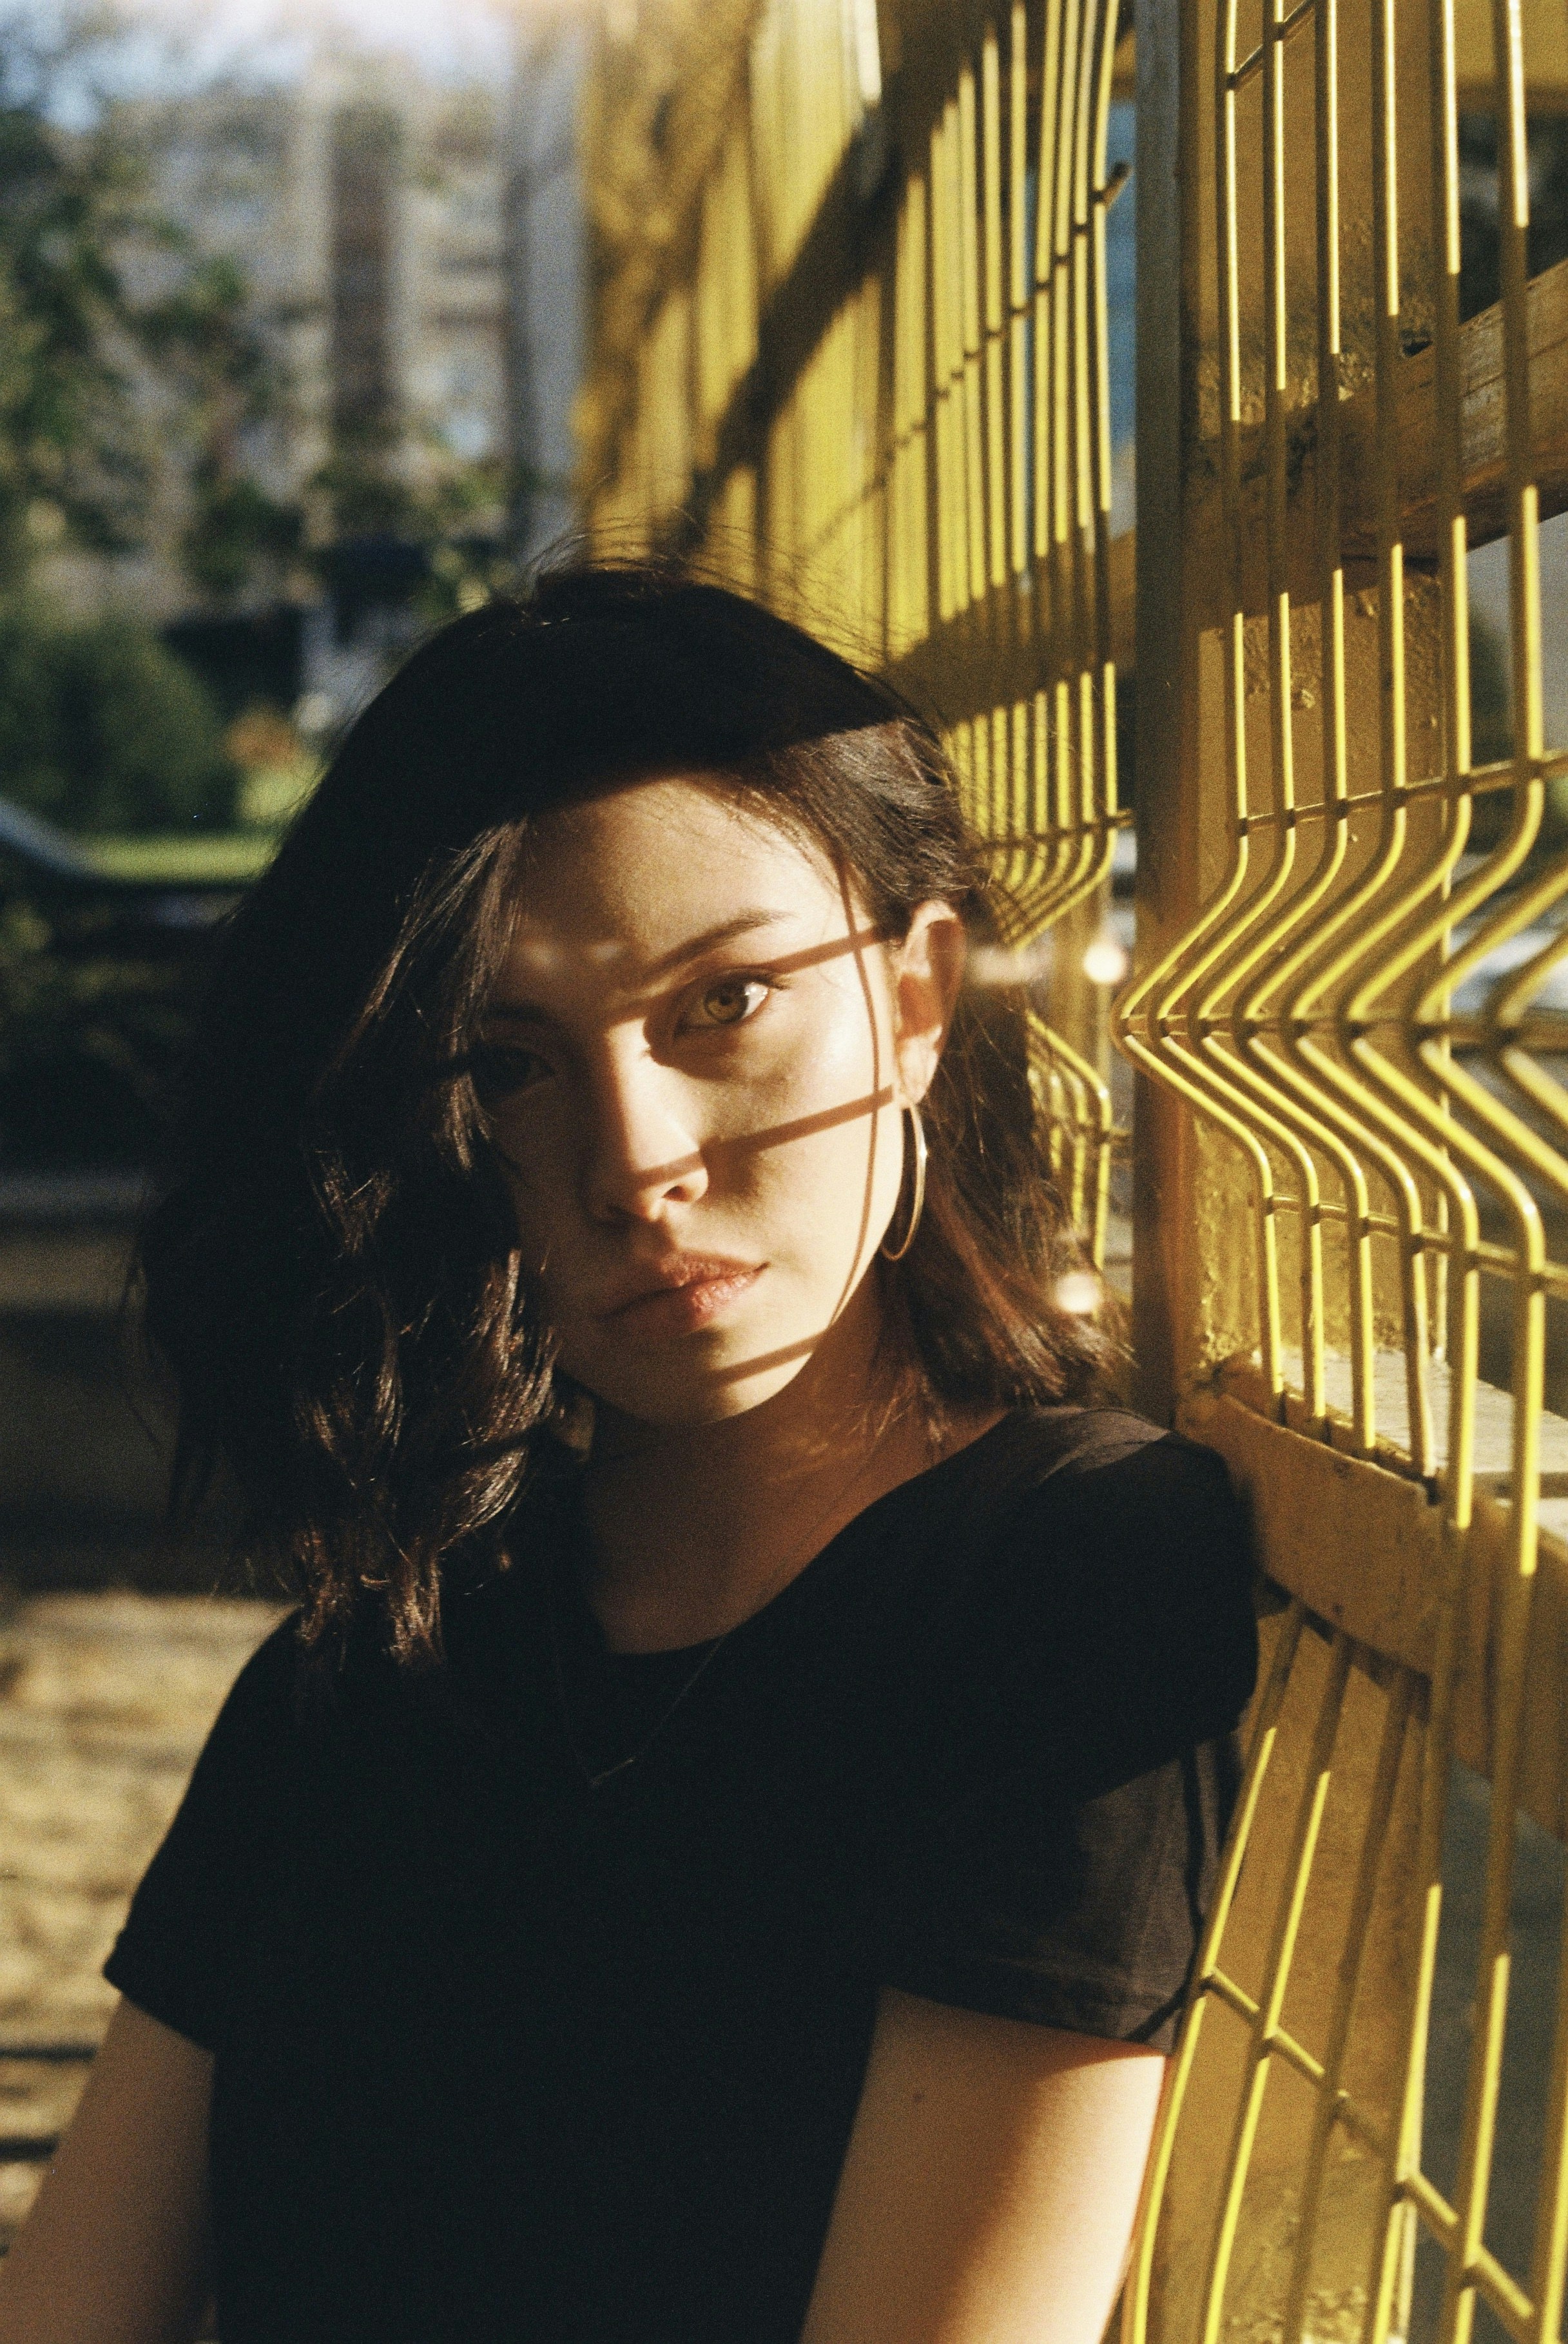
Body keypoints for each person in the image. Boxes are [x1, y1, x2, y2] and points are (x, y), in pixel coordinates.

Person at [0, 565, 1257, 2344]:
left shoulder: (1073, 1571)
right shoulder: (371, 1661)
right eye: (510, 1062)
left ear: (913, 1000)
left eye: (719, 1005)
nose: (632, 1157)